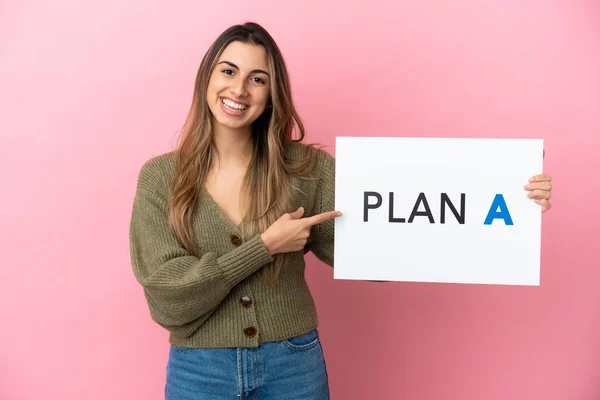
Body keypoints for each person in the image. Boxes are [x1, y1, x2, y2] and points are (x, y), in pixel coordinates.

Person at [129, 22, 553, 400]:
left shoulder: (306, 170)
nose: (239, 90)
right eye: (228, 71)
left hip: (291, 364)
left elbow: (378, 247)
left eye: (257, 79)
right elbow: (168, 297)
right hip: (199, 369)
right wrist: (264, 246)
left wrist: (509, 204)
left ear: (272, 93)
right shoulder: (161, 178)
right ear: (207, 77)